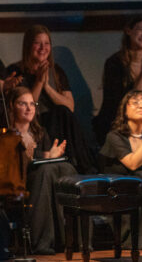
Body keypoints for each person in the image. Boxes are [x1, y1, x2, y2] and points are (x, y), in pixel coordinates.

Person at [6, 24, 96, 173]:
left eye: (47, 43)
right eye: (37, 43)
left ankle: (81, 167)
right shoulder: (15, 71)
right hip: (33, 121)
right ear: (29, 45)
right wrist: (39, 82)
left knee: (62, 112)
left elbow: (70, 106)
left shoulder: (56, 70)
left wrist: (47, 87)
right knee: (58, 114)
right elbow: (26, 108)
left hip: (58, 121)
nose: (43, 48)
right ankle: (82, 167)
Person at [8, 86, 77, 255]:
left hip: (46, 179)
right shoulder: (7, 134)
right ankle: (42, 242)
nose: (29, 108)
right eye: (23, 104)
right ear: (12, 106)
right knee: (46, 172)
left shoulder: (39, 133)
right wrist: (45, 155)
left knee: (66, 168)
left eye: (32, 103)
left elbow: (47, 163)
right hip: (22, 182)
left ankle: (74, 240)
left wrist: (52, 156)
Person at [98, 90, 142, 248]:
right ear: (124, 110)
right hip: (121, 191)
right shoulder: (115, 136)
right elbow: (133, 164)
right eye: (136, 102)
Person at [93, 16, 142, 146]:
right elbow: (129, 100)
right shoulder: (114, 63)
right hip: (117, 120)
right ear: (129, 31)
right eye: (141, 30)